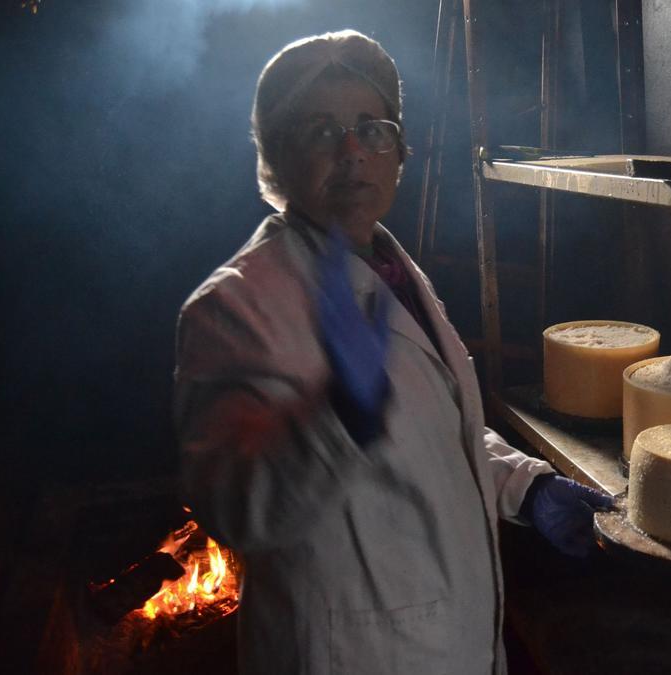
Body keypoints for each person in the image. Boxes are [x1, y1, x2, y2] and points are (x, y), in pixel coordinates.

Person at [173, 29, 613, 674]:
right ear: (277, 154)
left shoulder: (388, 267)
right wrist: (334, 417)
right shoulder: (236, 305)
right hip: (351, 652)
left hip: (449, 640)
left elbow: (432, 429)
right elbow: (236, 509)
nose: (352, 152)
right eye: (321, 130)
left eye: (371, 128)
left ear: (399, 151)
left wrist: (526, 486)